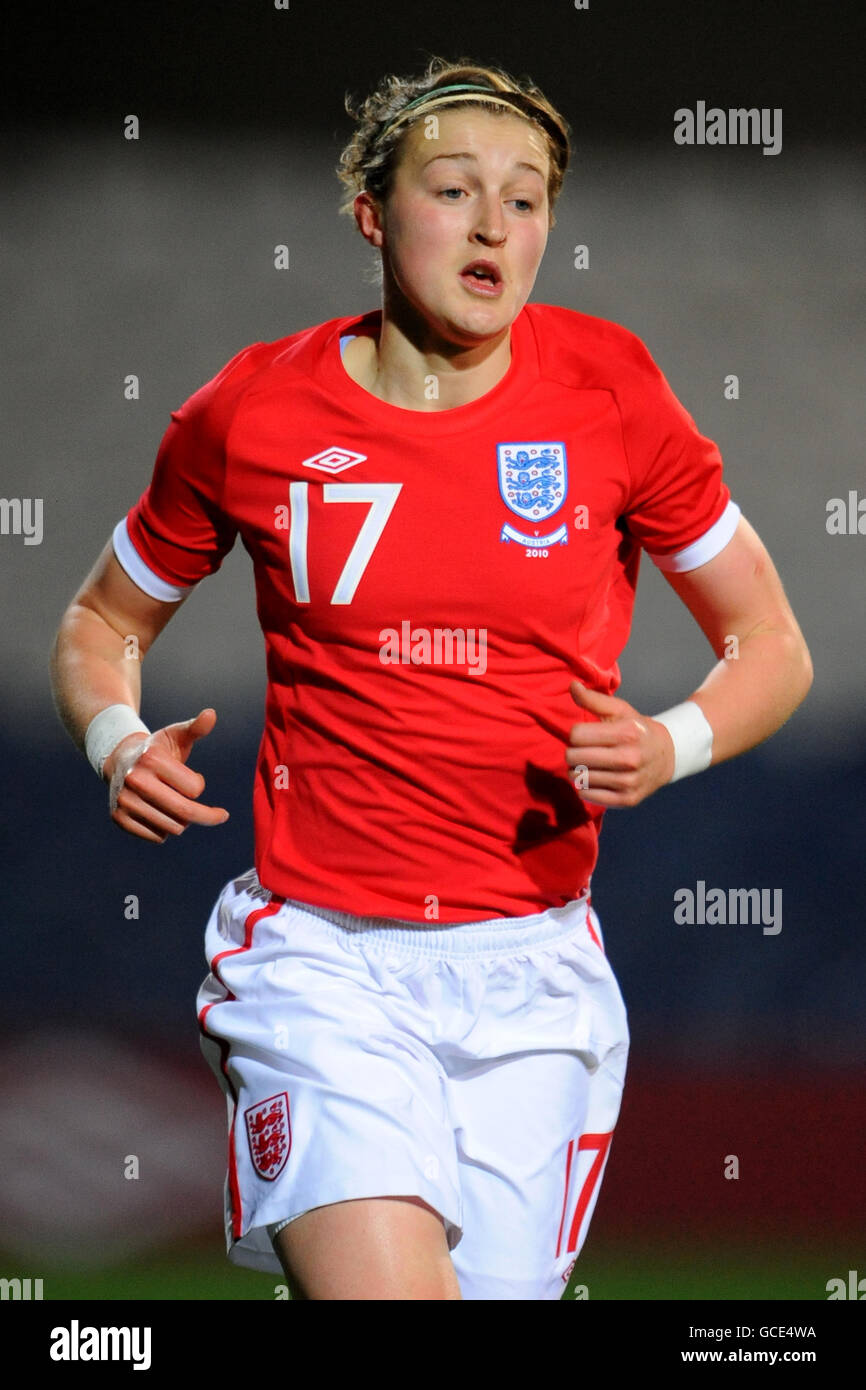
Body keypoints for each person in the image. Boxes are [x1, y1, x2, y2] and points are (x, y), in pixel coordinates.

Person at [50, 55, 813, 1301]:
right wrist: (115, 738)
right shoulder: (250, 413)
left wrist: (668, 743)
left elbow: (769, 645)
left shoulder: (609, 392)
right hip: (319, 963)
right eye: (454, 190)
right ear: (372, 215)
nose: (493, 225)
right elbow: (99, 620)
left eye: (524, 199)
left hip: (534, 978)